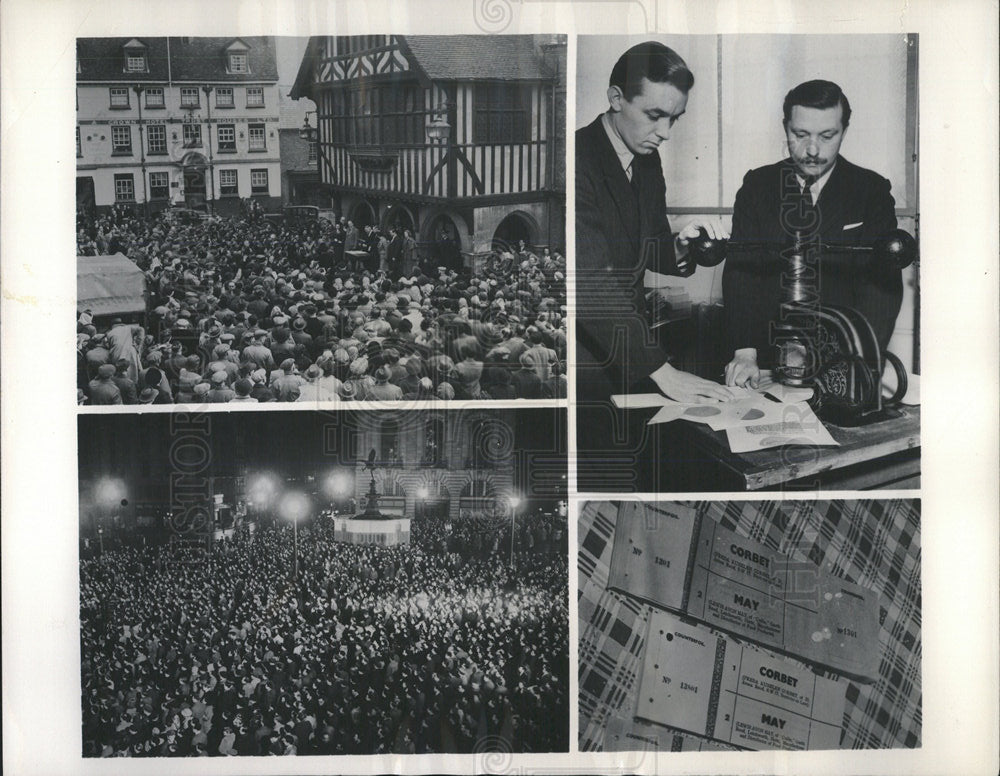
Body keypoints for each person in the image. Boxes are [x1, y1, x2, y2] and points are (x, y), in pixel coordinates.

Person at [575, 41, 733, 489]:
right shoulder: (575, 160)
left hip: (630, 349)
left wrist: (684, 244)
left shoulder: (646, 160)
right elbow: (588, 284)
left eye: (674, 119)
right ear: (615, 98)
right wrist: (663, 371)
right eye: (654, 116)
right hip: (588, 358)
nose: (665, 132)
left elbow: (648, 248)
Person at [722, 79, 903, 388]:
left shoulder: (871, 191)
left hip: (842, 363)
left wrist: (855, 364)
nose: (813, 150)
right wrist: (745, 352)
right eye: (800, 134)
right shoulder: (757, 186)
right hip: (765, 367)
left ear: (844, 130)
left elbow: (881, 289)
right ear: (785, 128)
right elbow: (742, 274)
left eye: (827, 135)